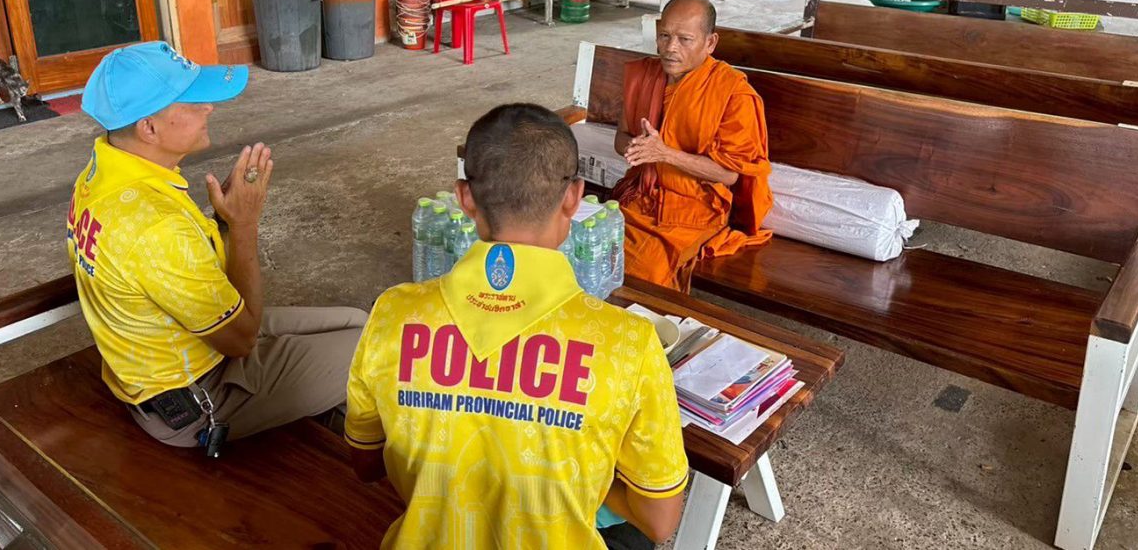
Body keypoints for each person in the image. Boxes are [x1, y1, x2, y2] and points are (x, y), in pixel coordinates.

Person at [345, 104, 689, 549]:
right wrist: (583, 474)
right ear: (574, 198)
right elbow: (660, 521)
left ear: (464, 198)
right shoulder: (628, 342)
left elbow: (366, 465)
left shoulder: (392, 314)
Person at [68, 42, 364, 452]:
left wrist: (223, 221)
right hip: (199, 396)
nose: (208, 108)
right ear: (149, 128)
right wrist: (243, 223)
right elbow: (241, 340)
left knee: (360, 321)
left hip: (181, 353)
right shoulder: (156, 225)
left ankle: (329, 414)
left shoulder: (103, 174)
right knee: (392, 348)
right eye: (192, 102)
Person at [613, 0, 773, 291]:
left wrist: (664, 154)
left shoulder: (732, 92)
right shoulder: (643, 75)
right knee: (588, 250)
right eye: (664, 36)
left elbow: (729, 174)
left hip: (694, 210)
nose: (670, 48)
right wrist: (638, 148)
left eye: (684, 39)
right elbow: (620, 137)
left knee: (638, 274)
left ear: (710, 43)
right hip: (639, 197)